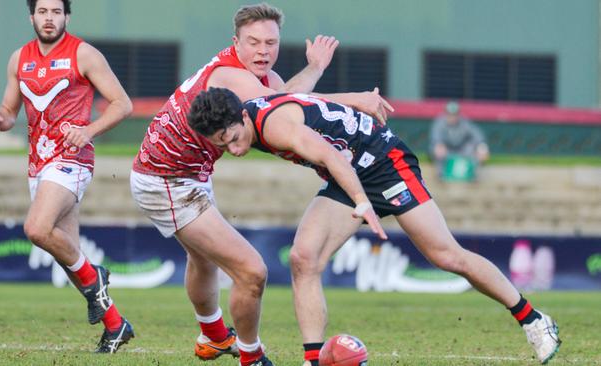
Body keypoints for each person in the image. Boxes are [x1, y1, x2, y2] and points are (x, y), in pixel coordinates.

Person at [187, 87, 562, 366]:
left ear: (242, 118)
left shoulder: (275, 127)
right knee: (304, 258)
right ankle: (314, 359)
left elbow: (331, 156)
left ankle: (533, 320)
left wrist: (363, 202)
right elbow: (305, 97)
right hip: (349, 171)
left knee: (447, 255)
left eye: (234, 139)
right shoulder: (247, 110)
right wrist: (356, 97)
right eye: (223, 145)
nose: (234, 150)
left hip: (384, 162)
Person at [129, 3, 391, 365]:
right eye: (253, 42)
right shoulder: (229, 75)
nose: (263, 51)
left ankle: (213, 337)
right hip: (166, 179)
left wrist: (315, 66)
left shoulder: (261, 80)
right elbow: (293, 104)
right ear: (235, 43)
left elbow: (291, 104)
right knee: (251, 272)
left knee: (203, 261)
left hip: (190, 174)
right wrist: (356, 100)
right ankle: (251, 357)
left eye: (271, 42)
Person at [0, 0, 134, 353]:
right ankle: (116, 325)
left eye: (56, 12)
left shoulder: (84, 54)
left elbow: (122, 103)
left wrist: (89, 130)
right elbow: (9, 109)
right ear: (31, 16)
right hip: (38, 163)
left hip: (72, 159)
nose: (49, 18)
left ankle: (96, 275)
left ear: (67, 15)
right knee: (69, 260)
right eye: (42, 12)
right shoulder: (19, 58)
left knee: (36, 228)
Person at [430, 101, 490, 181]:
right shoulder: (440, 123)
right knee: (438, 148)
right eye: (450, 114)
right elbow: (435, 138)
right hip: (447, 150)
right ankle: (440, 175)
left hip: (461, 149)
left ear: (458, 114)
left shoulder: (464, 122)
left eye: (454, 114)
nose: (452, 116)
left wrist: (482, 147)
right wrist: (438, 145)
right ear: (446, 114)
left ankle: (473, 174)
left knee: (476, 148)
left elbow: (476, 135)